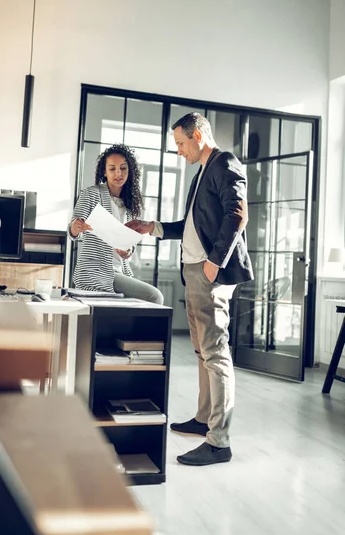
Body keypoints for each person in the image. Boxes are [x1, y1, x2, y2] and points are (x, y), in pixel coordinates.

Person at [126, 113, 253, 466]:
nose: (179, 151)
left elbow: (237, 213)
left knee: (215, 352)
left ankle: (219, 441)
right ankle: (203, 420)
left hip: (210, 272)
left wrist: (215, 260)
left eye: (181, 143)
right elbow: (190, 226)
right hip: (195, 271)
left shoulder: (224, 162)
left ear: (197, 135)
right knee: (201, 351)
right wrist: (150, 227)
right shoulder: (201, 172)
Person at [68, 143, 163, 304]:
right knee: (154, 297)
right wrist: (75, 227)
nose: (118, 173)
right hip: (95, 271)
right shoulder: (91, 194)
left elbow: (130, 244)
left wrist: (128, 251)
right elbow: (73, 230)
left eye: (123, 168)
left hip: (119, 271)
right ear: (104, 171)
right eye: (112, 169)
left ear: (130, 170)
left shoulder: (132, 203)